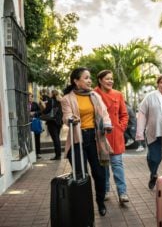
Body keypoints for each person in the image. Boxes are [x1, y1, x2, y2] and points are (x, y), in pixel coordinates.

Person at [61, 67, 112, 216]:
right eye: (86, 78)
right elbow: (66, 116)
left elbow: (104, 114)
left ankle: (100, 202)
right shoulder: (67, 99)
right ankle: (84, 206)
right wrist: (70, 119)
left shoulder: (95, 96)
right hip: (78, 138)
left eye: (90, 78)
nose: (89, 80)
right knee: (81, 175)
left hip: (95, 138)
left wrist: (107, 124)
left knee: (100, 174)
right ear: (76, 81)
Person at [94, 70, 130, 205]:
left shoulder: (118, 94)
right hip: (100, 135)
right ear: (100, 80)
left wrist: (121, 127)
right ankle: (106, 190)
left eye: (111, 79)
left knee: (117, 164)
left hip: (115, 134)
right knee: (104, 165)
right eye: (107, 79)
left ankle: (122, 193)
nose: (110, 81)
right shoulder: (94, 94)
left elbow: (124, 114)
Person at [42, 90, 63, 160]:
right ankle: (58, 154)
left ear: (52, 94)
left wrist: (43, 106)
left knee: (55, 139)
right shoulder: (60, 101)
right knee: (57, 138)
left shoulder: (51, 101)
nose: (49, 94)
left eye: (50, 93)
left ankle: (58, 155)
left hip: (52, 122)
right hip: (59, 122)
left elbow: (46, 111)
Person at [28, 93, 42, 159]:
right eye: (28, 97)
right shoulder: (25, 104)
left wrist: (34, 113)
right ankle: (30, 153)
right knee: (29, 138)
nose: (29, 98)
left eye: (31, 97)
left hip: (35, 123)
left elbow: (40, 111)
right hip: (28, 124)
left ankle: (38, 153)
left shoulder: (35, 104)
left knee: (37, 138)